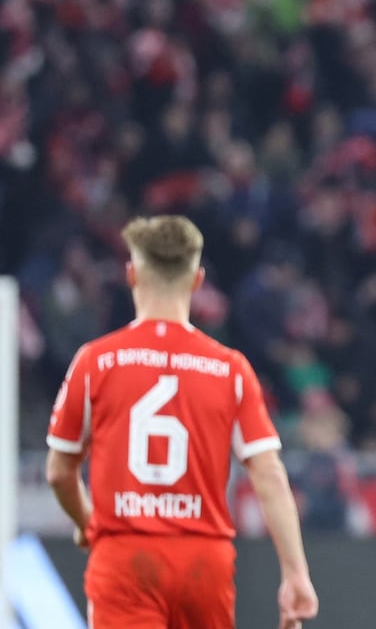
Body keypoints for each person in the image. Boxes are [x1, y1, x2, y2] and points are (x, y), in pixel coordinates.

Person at [45, 216, 319, 629]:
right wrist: (295, 572)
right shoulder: (230, 368)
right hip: (202, 561)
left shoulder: (96, 361)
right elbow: (269, 476)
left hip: (125, 555)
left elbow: (58, 472)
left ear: (132, 275)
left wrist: (88, 524)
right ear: (197, 280)